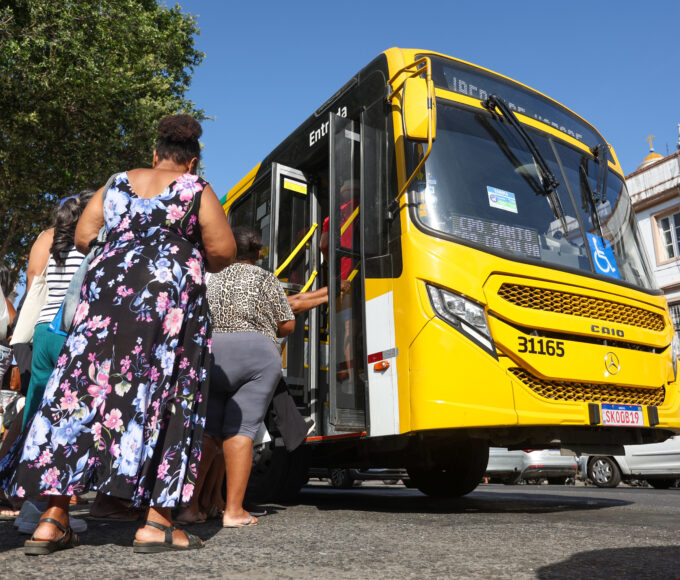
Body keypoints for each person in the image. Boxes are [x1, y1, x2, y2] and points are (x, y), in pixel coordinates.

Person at [0, 113, 235, 554]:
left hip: (105, 303)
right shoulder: (195, 188)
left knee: (80, 394)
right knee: (165, 396)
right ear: (191, 161)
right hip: (167, 310)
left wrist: (128, 246)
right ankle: (157, 524)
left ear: (155, 154)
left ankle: (51, 520)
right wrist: (173, 250)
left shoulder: (117, 183)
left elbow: (85, 236)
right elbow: (222, 251)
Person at [179, 226, 295, 528]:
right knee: (241, 430)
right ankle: (233, 511)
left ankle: (189, 507)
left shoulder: (211, 277)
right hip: (256, 356)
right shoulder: (265, 278)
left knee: (208, 433)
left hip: (213, 354)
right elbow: (287, 325)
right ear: (258, 253)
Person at [21, 193, 93, 430]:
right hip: (67, 329)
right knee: (66, 406)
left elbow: (34, 278)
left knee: (34, 402)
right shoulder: (89, 248)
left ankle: (21, 449)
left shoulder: (56, 245)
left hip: (43, 329)